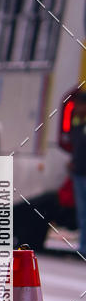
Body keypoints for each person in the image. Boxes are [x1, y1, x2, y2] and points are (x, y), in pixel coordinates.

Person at [68, 88, 86, 258]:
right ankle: (83, 246)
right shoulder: (78, 125)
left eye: (81, 105)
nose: (77, 109)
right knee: (82, 213)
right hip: (79, 173)